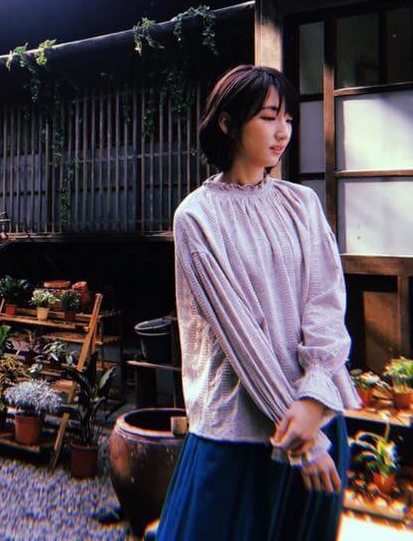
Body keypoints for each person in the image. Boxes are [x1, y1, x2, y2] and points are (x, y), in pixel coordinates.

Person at [156, 65, 360, 540]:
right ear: (228, 123)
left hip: (315, 416)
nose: (283, 131)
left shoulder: (301, 203)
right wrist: (301, 441)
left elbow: (327, 303)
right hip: (242, 432)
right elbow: (241, 340)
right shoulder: (197, 217)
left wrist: (314, 398)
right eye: (269, 117)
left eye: (288, 118)